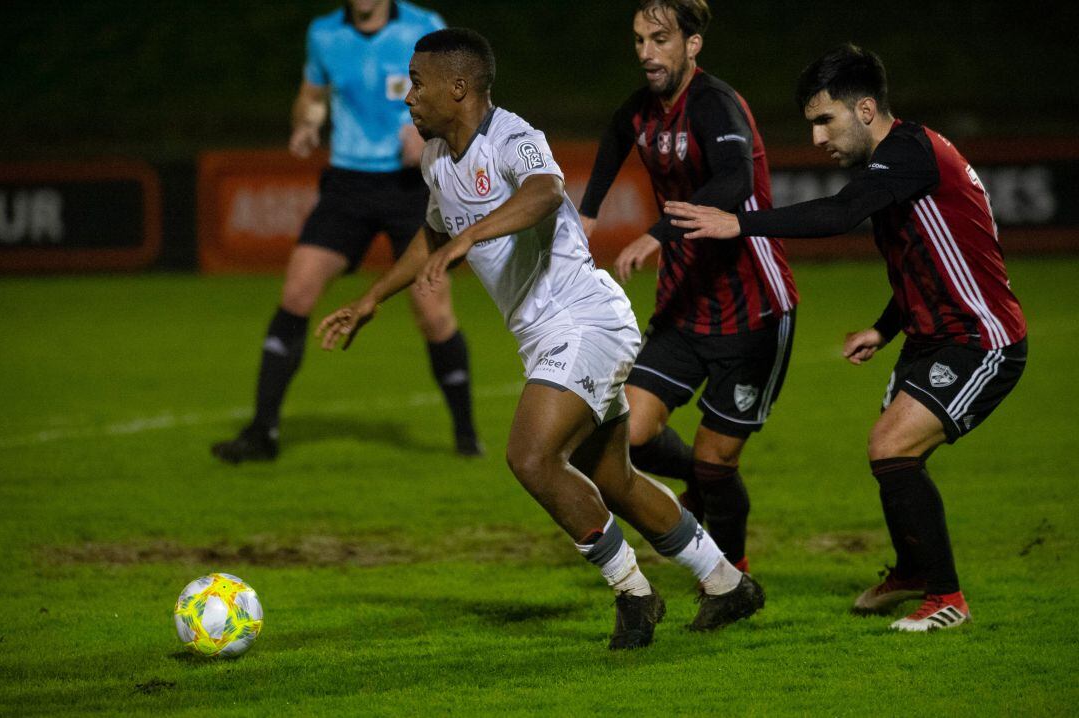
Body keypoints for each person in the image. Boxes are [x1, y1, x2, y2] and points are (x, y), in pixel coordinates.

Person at [318, 27, 765, 649]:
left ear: (458, 87)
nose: (408, 97)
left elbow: (545, 191)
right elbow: (431, 232)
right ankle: (726, 583)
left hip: (585, 318)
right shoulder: (434, 159)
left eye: (417, 84)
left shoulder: (512, 137)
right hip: (546, 334)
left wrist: (471, 239)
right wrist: (371, 298)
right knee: (614, 480)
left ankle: (635, 594)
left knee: (530, 457)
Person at [665, 43, 1027, 631]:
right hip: (930, 338)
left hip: (982, 340)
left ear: (865, 109)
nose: (816, 138)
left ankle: (947, 599)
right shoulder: (897, 164)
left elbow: (838, 215)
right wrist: (885, 328)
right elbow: (930, 261)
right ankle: (913, 570)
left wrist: (740, 222)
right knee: (894, 457)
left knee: (891, 446)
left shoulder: (909, 153)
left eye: (823, 120)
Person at [578, 0, 799, 576]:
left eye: (660, 39)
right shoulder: (642, 110)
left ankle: (733, 575)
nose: (647, 53)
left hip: (752, 303)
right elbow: (612, 140)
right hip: (685, 304)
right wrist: (587, 217)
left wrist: (656, 234)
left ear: (692, 45)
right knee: (630, 427)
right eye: (638, 41)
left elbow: (734, 179)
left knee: (715, 462)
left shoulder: (715, 104)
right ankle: (701, 485)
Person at [212, 0, 480, 463]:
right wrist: (305, 124)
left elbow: (462, 98)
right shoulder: (324, 33)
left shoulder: (424, 26)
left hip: (409, 187)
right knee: (296, 292)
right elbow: (312, 97)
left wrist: (427, 134)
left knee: (433, 314)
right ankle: (262, 434)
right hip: (347, 185)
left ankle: (466, 436)